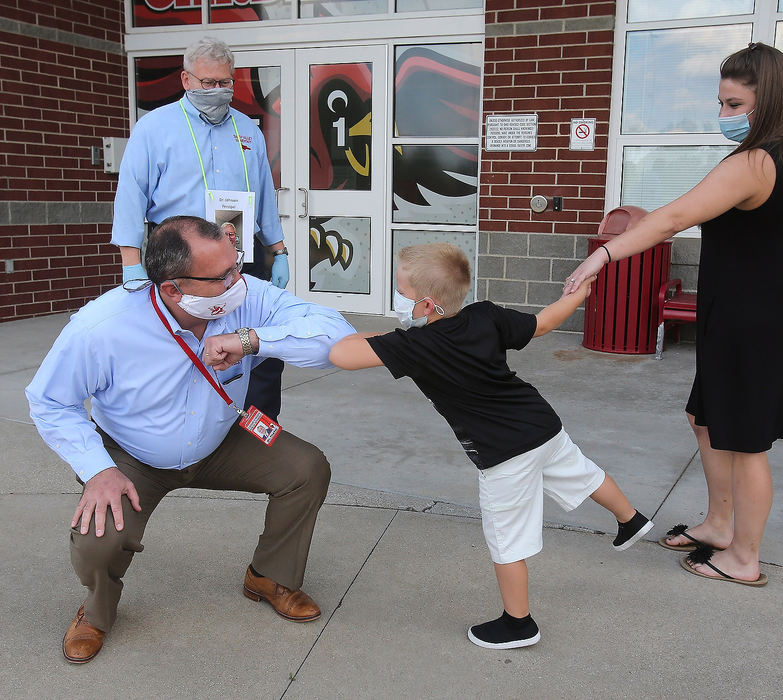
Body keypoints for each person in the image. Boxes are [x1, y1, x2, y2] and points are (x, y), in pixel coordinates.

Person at [564, 43, 783, 587]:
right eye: (722, 103)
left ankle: (743, 558)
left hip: (748, 322)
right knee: (706, 419)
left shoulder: (756, 162)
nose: (725, 117)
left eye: (736, 105)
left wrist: (603, 252)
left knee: (746, 443)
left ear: (772, 99)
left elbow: (674, 217)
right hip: (764, 314)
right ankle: (718, 525)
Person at [26, 216, 355, 664]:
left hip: (221, 438)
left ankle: (268, 575)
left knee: (306, 469)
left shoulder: (245, 298)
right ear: (171, 289)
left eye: (235, 267)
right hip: (133, 454)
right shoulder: (102, 327)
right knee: (96, 539)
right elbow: (49, 401)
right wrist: (98, 469)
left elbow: (334, 335)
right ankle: (97, 613)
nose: (237, 282)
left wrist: (253, 338)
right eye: (220, 277)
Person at [328, 243, 653, 649]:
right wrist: (577, 295)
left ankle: (519, 624)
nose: (396, 299)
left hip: (504, 457)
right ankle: (631, 519)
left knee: (506, 539)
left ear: (426, 305)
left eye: (401, 292)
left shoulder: (413, 346)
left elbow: (341, 353)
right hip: (540, 424)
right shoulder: (485, 314)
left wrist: (387, 335)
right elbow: (543, 324)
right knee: (583, 474)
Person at [111, 36, 288, 420]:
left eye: (226, 83)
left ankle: (259, 431)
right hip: (179, 256)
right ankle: (180, 426)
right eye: (208, 83)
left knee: (258, 347)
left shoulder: (248, 130)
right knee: (179, 345)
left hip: (237, 254)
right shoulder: (154, 127)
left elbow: (264, 196)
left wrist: (279, 251)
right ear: (186, 80)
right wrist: (131, 261)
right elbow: (131, 196)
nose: (218, 91)